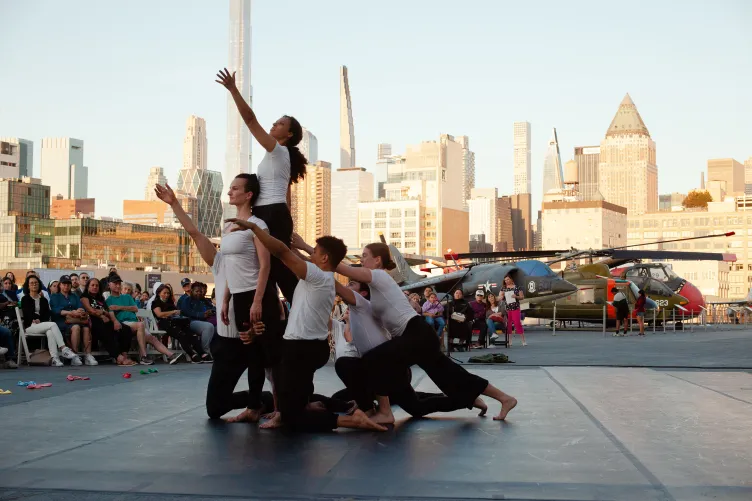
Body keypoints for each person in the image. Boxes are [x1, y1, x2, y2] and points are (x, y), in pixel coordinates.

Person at [225, 218, 387, 432]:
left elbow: (282, 252)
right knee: (295, 399)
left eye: (316, 252)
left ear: (325, 258)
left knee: (291, 417)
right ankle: (324, 406)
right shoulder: (326, 278)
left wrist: (255, 229)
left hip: (301, 348)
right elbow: (299, 257)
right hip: (311, 347)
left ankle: (349, 420)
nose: (311, 255)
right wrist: (301, 248)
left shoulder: (317, 276)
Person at [332, 242, 518, 422]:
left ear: (378, 260)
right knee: (450, 374)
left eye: (365, 256)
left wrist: (318, 255)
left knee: (375, 359)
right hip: (418, 334)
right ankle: (498, 398)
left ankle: (385, 412)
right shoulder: (376, 287)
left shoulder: (379, 276)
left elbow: (345, 269)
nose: (362, 260)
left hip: (416, 333)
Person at [216, 67, 306, 306]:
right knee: (269, 269)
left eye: (280, 124)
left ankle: (302, 312)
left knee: (279, 269)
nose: (274, 125)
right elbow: (286, 193)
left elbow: (249, 120)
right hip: (269, 213)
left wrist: (233, 90)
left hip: (272, 214)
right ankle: (282, 314)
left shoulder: (278, 151)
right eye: (275, 122)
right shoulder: (279, 157)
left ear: (289, 133)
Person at [333, 279, 475, 418]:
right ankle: (370, 403)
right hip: (376, 371)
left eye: (351, 284)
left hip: (389, 371)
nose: (347, 285)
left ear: (363, 293)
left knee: (416, 408)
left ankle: (464, 399)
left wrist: (317, 261)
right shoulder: (356, 310)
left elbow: (336, 285)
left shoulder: (362, 304)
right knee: (338, 398)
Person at [107, 276, 180, 365]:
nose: (118, 286)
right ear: (109, 285)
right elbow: (112, 313)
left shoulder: (127, 297)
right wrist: (128, 309)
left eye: (119, 284)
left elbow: (135, 309)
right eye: (115, 284)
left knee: (152, 338)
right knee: (141, 325)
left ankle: (170, 355)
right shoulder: (108, 300)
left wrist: (119, 307)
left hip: (134, 323)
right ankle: (143, 356)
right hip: (124, 324)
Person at [20, 275, 82, 367]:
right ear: (28, 286)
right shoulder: (25, 299)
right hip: (30, 326)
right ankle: (64, 348)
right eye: (31, 283)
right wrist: (36, 318)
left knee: (50, 332)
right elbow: (27, 314)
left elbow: (46, 315)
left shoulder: (44, 300)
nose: (34, 285)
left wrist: (39, 319)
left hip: (43, 325)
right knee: (52, 324)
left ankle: (55, 359)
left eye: (36, 283)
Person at [81, 278, 135, 366]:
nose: (95, 287)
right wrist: (101, 314)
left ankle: (124, 354)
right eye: (92, 285)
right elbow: (90, 310)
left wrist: (114, 321)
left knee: (126, 329)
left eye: (97, 285)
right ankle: (117, 356)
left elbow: (108, 311)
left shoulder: (100, 298)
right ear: (88, 287)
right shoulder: (85, 297)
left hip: (105, 320)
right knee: (106, 330)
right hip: (93, 322)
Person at [151, 284, 207, 364]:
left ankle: (202, 353)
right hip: (164, 323)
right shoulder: (156, 302)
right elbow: (159, 314)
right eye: (164, 293)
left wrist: (177, 313)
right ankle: (192, 354)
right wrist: (173, 312)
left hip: (175, 322)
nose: (166, 295)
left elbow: (176, 313)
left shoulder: (170, 302)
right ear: (159, 293)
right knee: (181, 334)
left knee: (190, 333)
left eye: (168, 293)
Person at [50, 275, 97, 366]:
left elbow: (81, 307)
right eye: (64, 284)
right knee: (76, 327)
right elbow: (55, 311)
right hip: (62, 322)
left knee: (86, 328)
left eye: (68, 284)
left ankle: (88, 355)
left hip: (76, 319)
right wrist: (71, 312)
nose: (66, 286)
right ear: (60, 285)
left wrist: (79, 311)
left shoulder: (74, 296)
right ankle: (74, 356)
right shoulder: (55, 296)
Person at [178, 282, 216, 354]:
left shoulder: (203, 300)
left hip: (203, 322)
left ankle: (216, 350)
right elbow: (187, 312)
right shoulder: (187, 300)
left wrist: (211, 311)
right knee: (209, 327)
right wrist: (202, 315)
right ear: (192, 290)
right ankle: (205, 351)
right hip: (190, 322)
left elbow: (213, 308)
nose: (199, 293)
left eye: (200, 291)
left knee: (218, 329)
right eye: (197, 291)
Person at [501, 276, 526, 346]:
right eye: (505, 280)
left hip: (515, 308)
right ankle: (509, 341)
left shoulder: (517, 287)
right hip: (507, 309)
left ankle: (523, 340)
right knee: (508, 325)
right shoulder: (503, 288)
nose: (506, 281)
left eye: (508, 279)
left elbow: (522, 297)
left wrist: (516, 296)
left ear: (511, 279)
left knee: (517, 323)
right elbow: (500, 296)